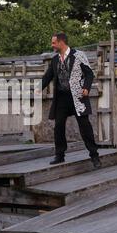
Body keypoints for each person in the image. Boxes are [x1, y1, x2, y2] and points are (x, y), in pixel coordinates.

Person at [38, 32, 100, 168]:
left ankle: (94, 155)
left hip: (78, 96)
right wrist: (37, 88)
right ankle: (60, 155)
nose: (52, 45)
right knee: (58, 126)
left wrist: (86, 87)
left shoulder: (78, 56)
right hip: (62, 98)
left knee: (85, 126)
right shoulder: (55, 60)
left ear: (61, 42)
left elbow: (89, 74)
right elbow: (47, 76)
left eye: (54, 42)